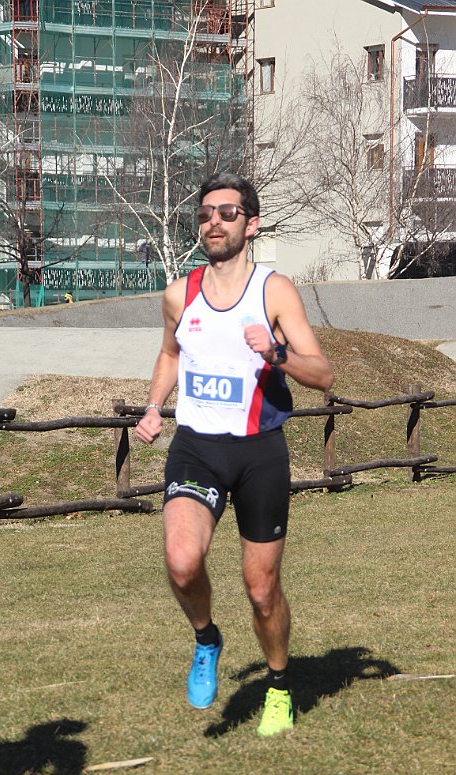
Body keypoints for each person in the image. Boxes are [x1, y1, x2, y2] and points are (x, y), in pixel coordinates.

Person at [135, 172, 333, 736]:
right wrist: (154, 405)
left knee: (262, 589)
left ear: (252, 223)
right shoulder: (180, 293)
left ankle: (279, 685)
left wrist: (275, 353)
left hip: (258, 453)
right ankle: (206, 638)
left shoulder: (275, 291)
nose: (213, 223)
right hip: (196, 448)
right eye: (205, 215)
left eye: (226, 213)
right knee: (181, 560)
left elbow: (323, 374)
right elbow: (171, 354)